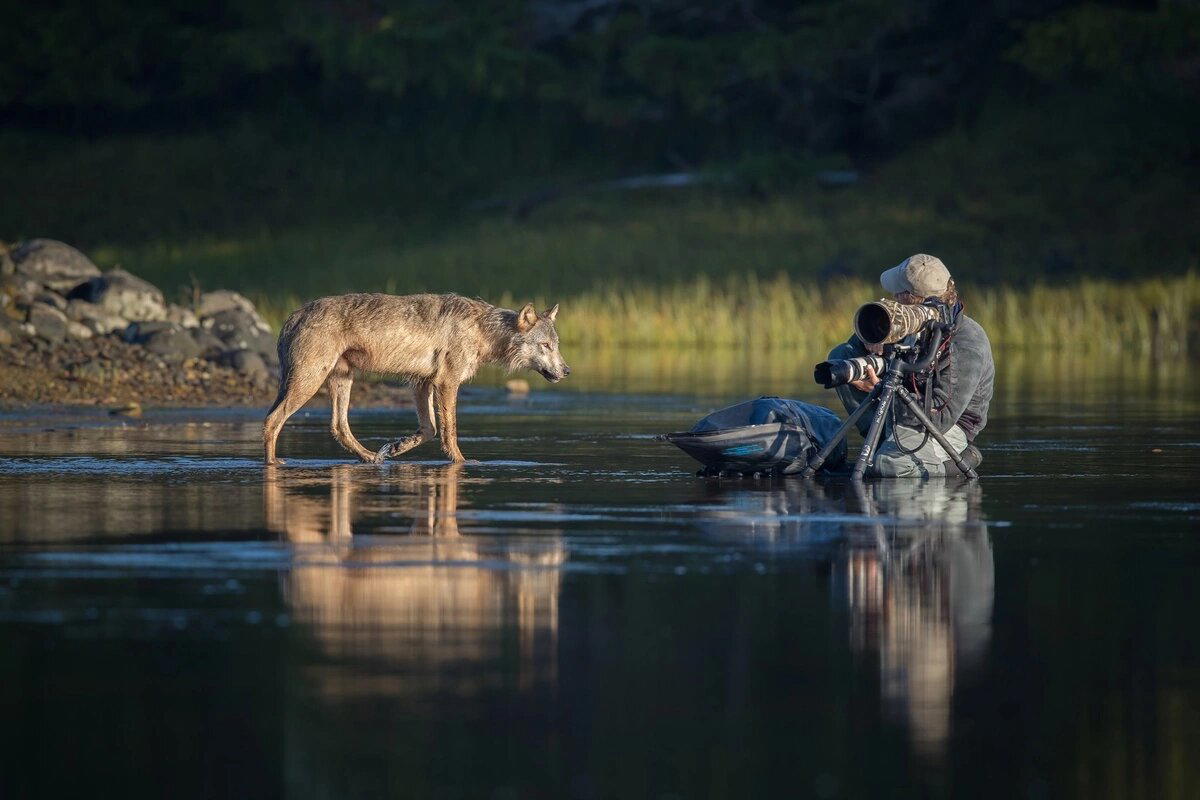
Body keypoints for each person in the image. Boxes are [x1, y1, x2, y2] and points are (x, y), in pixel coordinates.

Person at [826, 254, 995, 477]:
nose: (892, 297)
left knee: (890, 465)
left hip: (945, 426)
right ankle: (880, 443)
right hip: (900, 412)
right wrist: (871, 339)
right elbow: (851, 354)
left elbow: (940, 417)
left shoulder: (967, 340)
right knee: (842, 356)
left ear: (909, 297)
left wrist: (881, 389)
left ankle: (959, 462)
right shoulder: (901, 323)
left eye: (897, 293)